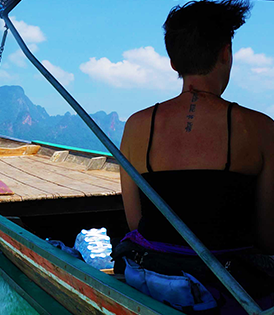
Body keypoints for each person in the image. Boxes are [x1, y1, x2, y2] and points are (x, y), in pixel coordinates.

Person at [113, 0, 274, 312]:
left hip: (152, 280)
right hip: (228, 292)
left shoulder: (136, 126)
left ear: (173, 62)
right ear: (226, 52)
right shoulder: (260, 129)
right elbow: (268, 237)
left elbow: (136, 222)